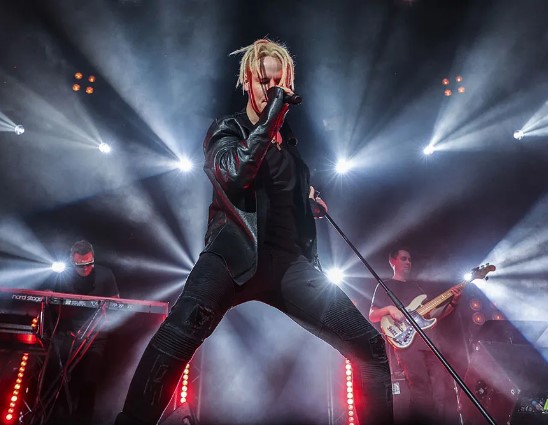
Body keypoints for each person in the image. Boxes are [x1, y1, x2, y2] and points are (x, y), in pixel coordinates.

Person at [114, 38, 393, 425]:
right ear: (247, 80)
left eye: (280, 84)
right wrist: (272, 116)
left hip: (289, 264)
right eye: (265, 82)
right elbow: (235, 174)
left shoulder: (290, 146)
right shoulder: (227, 129)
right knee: (177, 335)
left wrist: (306, 201)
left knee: (370, 346)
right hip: (234, 255)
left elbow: (280, 194)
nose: (272, 91)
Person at [369, 247, 462, 424]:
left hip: (430, 343)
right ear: (392, 261)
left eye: (410, 259)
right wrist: (389, 308)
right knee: (421, 390)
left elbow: (434, 315)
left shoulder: (417, 288)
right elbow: (372, 315)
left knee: (442, 391)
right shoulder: (385, 286)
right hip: (408, 344)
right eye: (404, 258)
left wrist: (454, 302)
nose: (408, 262)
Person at [46, 240, 119, 425]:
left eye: (89, 263)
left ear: (93, 258)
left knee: (89, 381)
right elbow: (50, 299)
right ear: (72, 262)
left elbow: (117, 303)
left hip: (95, 336)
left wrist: (109, 314)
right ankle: (56, 418)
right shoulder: (63, 276)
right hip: (66, 333)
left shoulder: (105, 274)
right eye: (81, 265)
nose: (86, 268)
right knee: (57, 377)